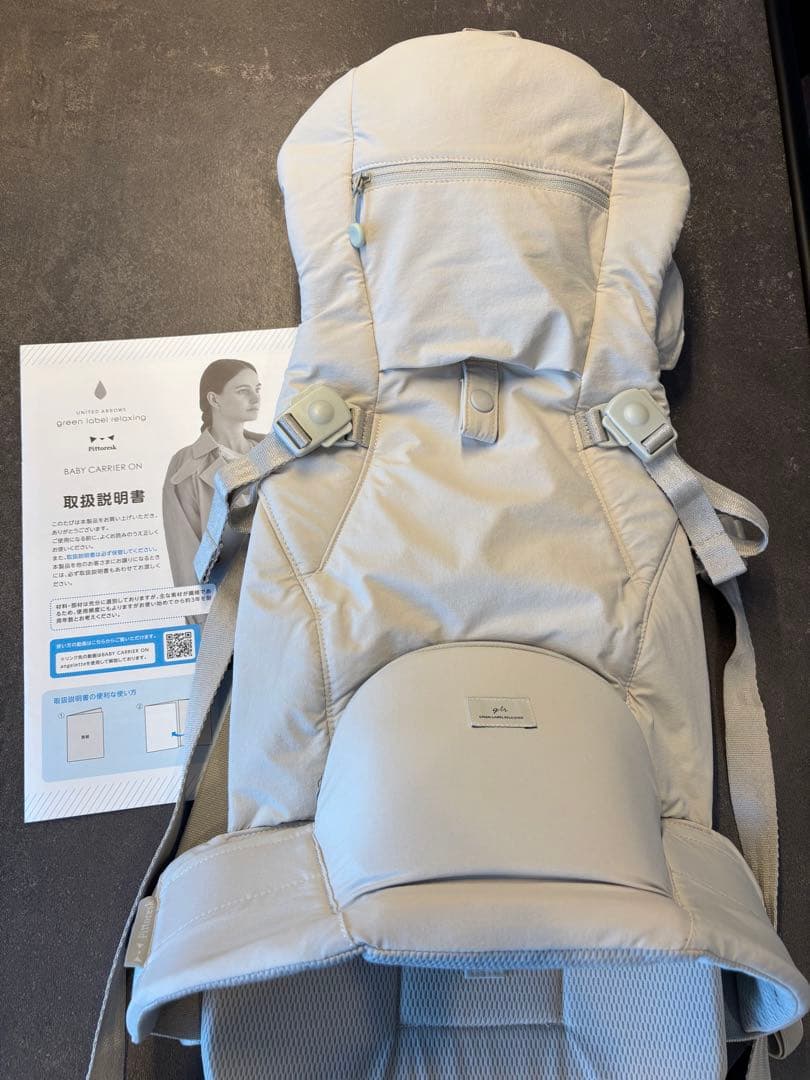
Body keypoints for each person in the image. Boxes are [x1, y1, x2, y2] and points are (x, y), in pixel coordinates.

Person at [162, 359, 264, 593]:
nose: (256, 398)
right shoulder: (186, 464)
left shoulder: (274, 450)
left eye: (257, 389)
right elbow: (185, 554)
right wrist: (200, 614)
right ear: (214, 399)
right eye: (243, 391)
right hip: (229, 602)